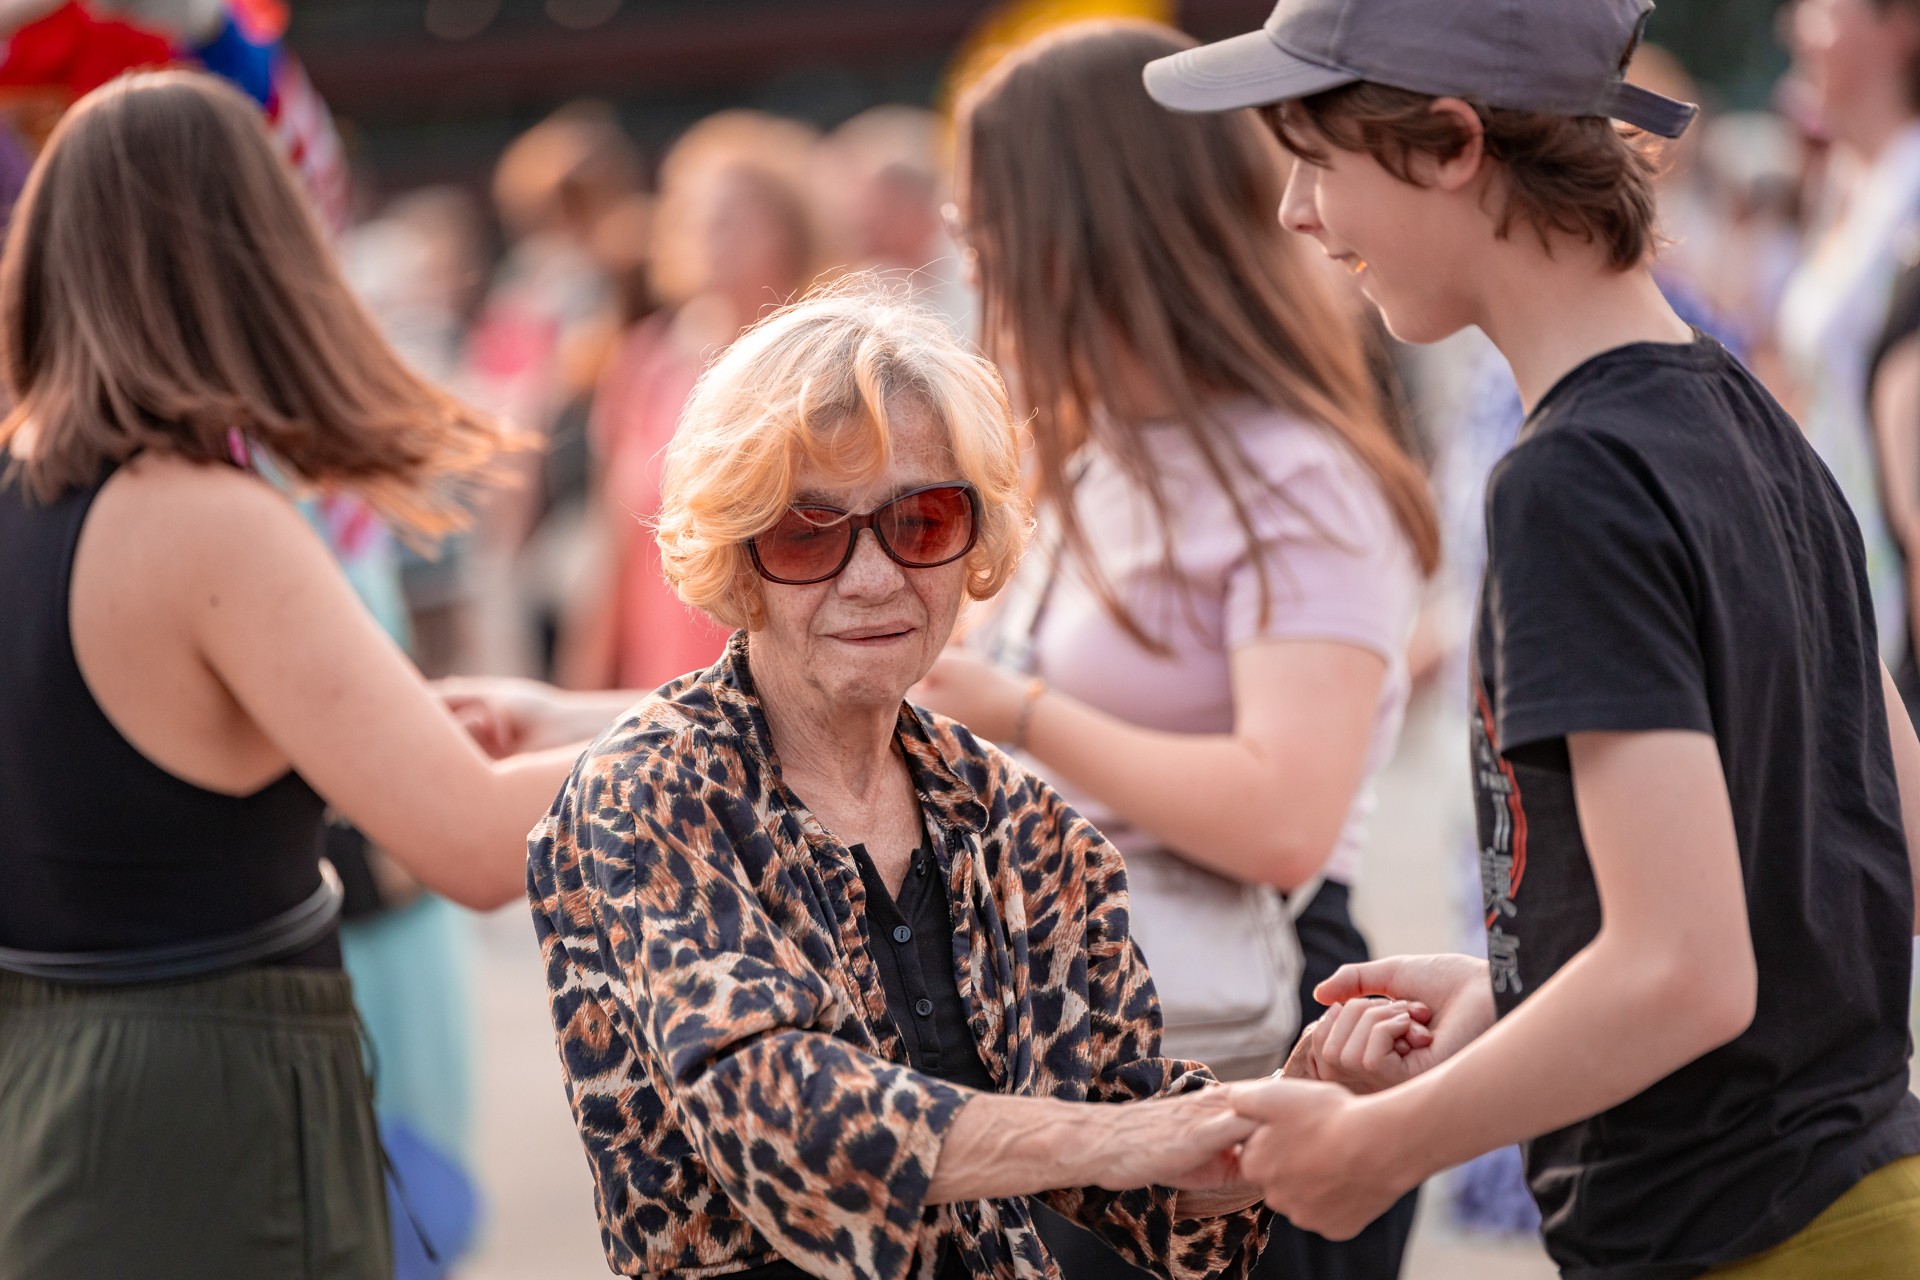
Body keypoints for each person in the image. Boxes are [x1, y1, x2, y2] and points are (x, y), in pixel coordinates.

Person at [1146, 0, 1920, 1275]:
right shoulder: (1745, 413)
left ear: (1455, 143)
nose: (1296, 211)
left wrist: (1378, 1144)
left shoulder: (1568, 479)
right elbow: (1874, 848)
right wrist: (1528, 983)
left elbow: (1686, 971)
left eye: (1317, 158)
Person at [519, 285, 1277, 1280]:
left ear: (974, 541)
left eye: (921, 520)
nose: (874, 577)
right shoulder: (651, 790)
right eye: (807, 531)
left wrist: (1278, 1121)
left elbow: (1145, 1170)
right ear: (736, 558)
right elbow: (783, 1117)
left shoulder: (1021, 820)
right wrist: (1120, 1139)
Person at [0, 71, 584, 1280]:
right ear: (253, 256)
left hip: (43, 1085)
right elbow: (475, 842)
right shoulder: (207, 522)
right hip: (201, 1106)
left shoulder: (23, 492)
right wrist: (745, 721)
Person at [913, 21, 1437, 1280]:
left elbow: (1285, 817)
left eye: (984, 222)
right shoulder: (1092, 449)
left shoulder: (1292, 473)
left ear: (1080, 226)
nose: (968, 256)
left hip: (1246, 1038)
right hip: (1081, 1026)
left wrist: (1019, 711)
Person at [557, 110, 816, 691]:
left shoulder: (818, 365)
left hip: (787, 696)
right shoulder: (647, 362)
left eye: (735, 217)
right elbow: (612, 545)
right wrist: (579, 692)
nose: (712, 233)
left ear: (789, 229)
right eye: (701, 214)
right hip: (665, 688)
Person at [1777, 0, 1920, 709]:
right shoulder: (1851, 181)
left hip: (1899, 620)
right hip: (1844, 596)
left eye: (1826, 7)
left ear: (1902, 24)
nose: (1798, 28)